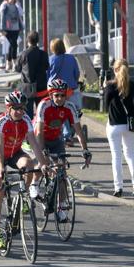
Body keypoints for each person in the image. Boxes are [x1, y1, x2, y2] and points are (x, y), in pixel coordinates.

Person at [0, 90, 49, 251]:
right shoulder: (1, 121)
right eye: (17, 108)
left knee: (28, 165)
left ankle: (23, 195)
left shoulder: (26, 120)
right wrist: (1, 169)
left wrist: (42, 164)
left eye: (23, 107)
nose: (21, 111)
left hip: (14, 152)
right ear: (9, 109)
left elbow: (34, 144)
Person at [33, 79, 91, 209]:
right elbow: (39, 131)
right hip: (39, 137)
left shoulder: (69, 107)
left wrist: (85, 150)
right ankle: (34, 184)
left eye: (62, 95)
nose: (60, 98)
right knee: (44, 163)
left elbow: (78, 130)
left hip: (56, 139)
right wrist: (42, 151)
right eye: (56, 95)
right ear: (50, 95)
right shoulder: (44, 105)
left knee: (61, 172)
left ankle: (62, 205)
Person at [104, 59, 134, 197]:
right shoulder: (132, 85)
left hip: (114, 124)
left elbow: (105, 107)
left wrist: (105, 88)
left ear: (115, 70)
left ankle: (118, 188)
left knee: (116, 156)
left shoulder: (110, 86)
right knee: (131, 156)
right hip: (129, 124)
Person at [47, 38, 81, 144]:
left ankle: (66, 135)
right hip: (71, 89)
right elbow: (77, 73)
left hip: (56, 91)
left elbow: (47, 75)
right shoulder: (71, 58)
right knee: (74, 111)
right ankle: (71, 132)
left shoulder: (51, 59)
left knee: (61, 111)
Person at [87, 0, 127, 64]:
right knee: (102, 39)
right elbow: (89, 5)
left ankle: (107, 59)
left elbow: (115, 5)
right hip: (99, 19)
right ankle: (98, 60)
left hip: (108, 19)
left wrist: (123, 15)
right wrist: (91, 18)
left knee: (106, 39)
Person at [15, 31, 49, 119]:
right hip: (41, 86)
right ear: (38, 40)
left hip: (27, 88)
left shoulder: (24, 54)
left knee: (28, 114)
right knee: (41, 112)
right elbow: (46, 67)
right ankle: (40, 130)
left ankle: (30, 130)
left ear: (27, 41)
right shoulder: (43, 54)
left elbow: (17, 69)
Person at [0, 0, 24, 72]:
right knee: (14, 44)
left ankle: (8, 63)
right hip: (7, 28)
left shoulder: (17, 4)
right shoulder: (4, 5)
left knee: (11, 45)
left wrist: (17, 4)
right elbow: (2, 17)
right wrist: (2, 29)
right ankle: (14, 63)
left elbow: (21, 13)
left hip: (16, 27)